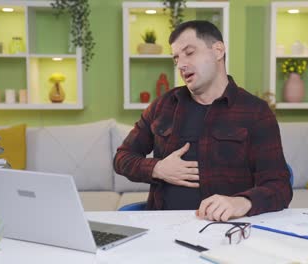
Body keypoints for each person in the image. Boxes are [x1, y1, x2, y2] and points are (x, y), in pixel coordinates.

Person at [114, 20, 292, 221]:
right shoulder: (162, 106)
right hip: (163, 228)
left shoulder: (255, 112)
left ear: (218, 51)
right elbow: (122, 158)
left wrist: (242, 202)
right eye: (176, 58)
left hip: (226, 231)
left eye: (189, 53)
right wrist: (157, 168)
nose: (181, 64)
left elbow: (280, 186)